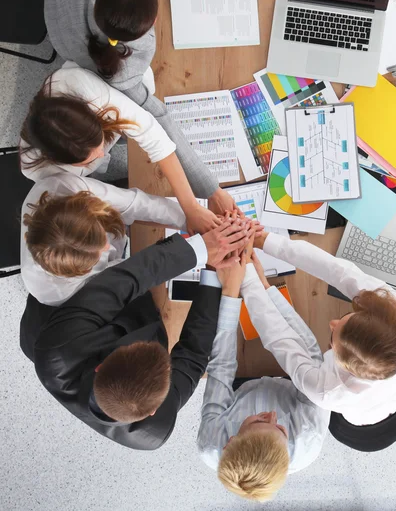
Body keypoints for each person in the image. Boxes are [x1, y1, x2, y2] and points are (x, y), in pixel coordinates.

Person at [43, 0, 231, 208]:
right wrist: (212, 190)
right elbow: (158, 118)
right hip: (77, 52)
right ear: (150, 24)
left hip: (57, 7)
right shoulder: (122, 72)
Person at [28, 219, 249, 450]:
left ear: (100, 367)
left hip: (62, 312)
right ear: (154, 410)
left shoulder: (59, 349)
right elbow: (193, 356)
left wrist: (203, 249)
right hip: (92, 318)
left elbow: (124, 280)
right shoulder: (155, 429)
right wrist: (213, 274)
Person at [240, 232, 396, 452]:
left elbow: (280, 338)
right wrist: (268, 241)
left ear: (343, 364)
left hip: (361, 432)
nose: (332, 323)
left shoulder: (325, 391)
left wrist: (250, 279)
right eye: (347, 319)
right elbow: (339, 271)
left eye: (332, 341)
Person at [20, 63, 231, 233]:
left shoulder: (81, 87)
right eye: (87, 160)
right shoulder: (41, 173)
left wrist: (193, 206)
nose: (102, 154)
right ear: (61, 161)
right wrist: (190, 213)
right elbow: (127, 204)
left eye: (99, 143)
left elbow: (153, 133)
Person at [197, 249, 330, 502]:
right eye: (281, 428)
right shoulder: (308, 436)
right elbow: (311, 355)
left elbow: (221, 369)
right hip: (293, 382)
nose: (273, 415)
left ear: (229, 442)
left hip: (240, 387)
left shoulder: (210, 443)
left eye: (260, 421)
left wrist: (231, 292)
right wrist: (268, 289)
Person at [20, 172, 193, 306]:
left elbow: (135, 203)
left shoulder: (63, 186)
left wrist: (189, 219)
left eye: (101, 235)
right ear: (79, 271)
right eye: (98, 253)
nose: (107, 246)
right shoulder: (58, 291)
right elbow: (126, 275)